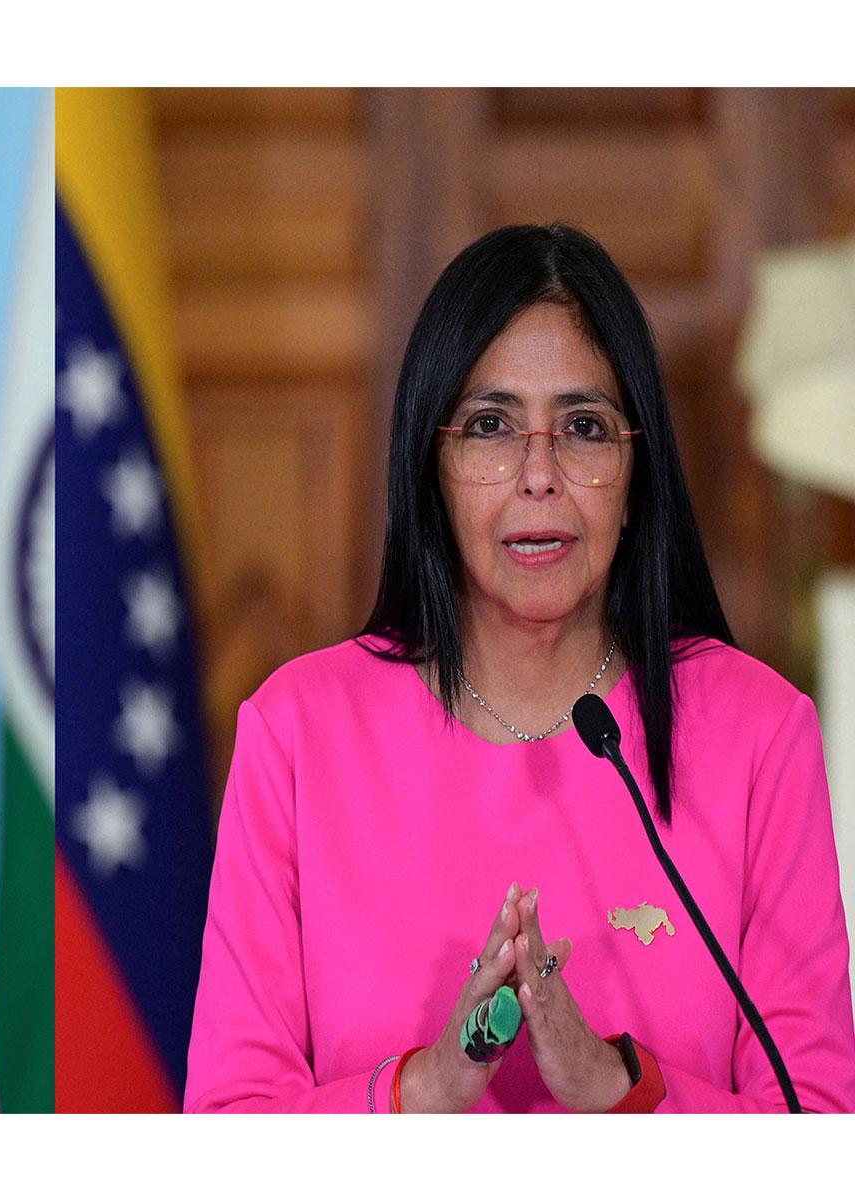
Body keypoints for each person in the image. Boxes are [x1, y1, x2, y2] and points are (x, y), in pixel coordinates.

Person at [183, 224, 855, 1113]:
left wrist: (621, 1090)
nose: (539, 475)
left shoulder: (758, 731)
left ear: (636, 470)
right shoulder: (299, 731)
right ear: (432, 464)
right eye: (492, 427)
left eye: (582, 427)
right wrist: (422, 1091)